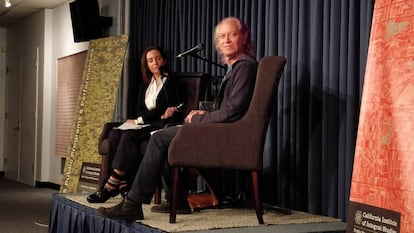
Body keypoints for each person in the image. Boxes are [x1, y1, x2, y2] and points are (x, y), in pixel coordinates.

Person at [96, 17, 258, 221]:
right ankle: (178, 200)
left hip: (224, 135)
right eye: (222, 36)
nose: (226, 40)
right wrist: (205, 113)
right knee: (162, 136)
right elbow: (229, 108)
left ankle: (133, 203)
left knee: (160, 138)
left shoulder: (244, 67)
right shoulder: (236, 67)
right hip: (217, 128)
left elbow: (234, 111)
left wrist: (198, 121)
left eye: (232, 35)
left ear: (244, 37)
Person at [87, 46, 184, 203]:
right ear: (146, 64)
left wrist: (139, 121)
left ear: (164, 60)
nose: (155, 63)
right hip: (145, 123)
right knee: (114, 132)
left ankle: (112, 184)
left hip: (160, 124)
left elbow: (163, 107)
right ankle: (117, 183)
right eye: (150, 60)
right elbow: (139, 109)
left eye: (158, 59)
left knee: (129, 134)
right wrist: (137, 120)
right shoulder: (145, 85)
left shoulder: (172, 81)